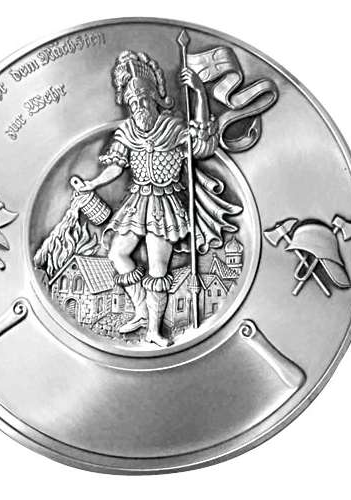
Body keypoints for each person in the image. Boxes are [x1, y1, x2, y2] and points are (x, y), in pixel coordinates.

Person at [79, 51, 240, 346]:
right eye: (133, 102)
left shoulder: (174, 128)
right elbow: (116, 167)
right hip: (137, 203)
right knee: (117, 254)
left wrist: (200, 95)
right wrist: (92, 183)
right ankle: (141, 311)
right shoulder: (127, 131)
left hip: (165, 205)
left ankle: (154, 330)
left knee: (157, 268)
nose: (139, 106)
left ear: (154, 97)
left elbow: (203, 146)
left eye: (143, 99)